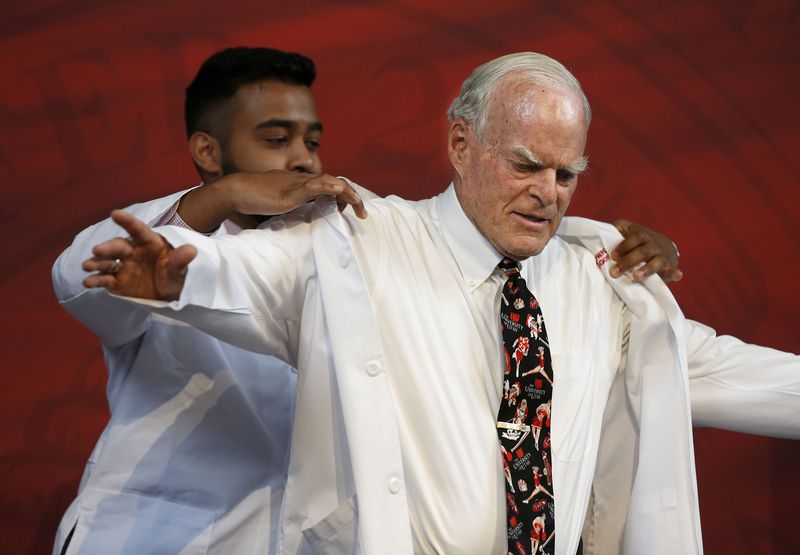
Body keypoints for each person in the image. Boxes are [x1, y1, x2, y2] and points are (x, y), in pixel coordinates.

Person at [81, 52, 800, 554]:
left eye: (566, 173)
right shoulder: (362, 242)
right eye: (525, 165)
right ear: (461, 142)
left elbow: (713, 369)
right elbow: (254, 272)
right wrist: (185, 272)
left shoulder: (600, 279)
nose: (548, 192)